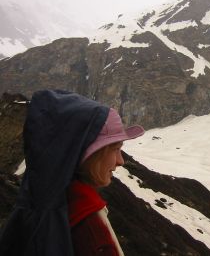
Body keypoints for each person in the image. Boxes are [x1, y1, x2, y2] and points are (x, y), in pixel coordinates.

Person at [0, 89, 144, 256]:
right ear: (88, 155)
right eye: (115, 148)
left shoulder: (34, 205)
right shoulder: (89, 227)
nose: (121, 160)